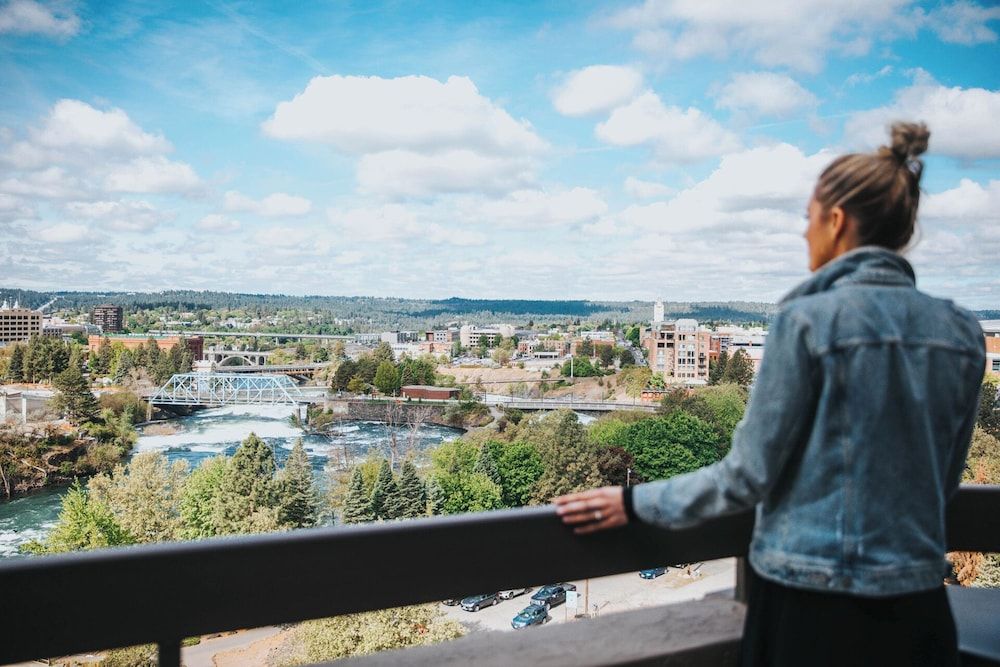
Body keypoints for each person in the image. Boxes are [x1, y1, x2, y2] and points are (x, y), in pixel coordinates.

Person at [554, 122, 986, 666]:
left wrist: (632, 502)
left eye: (807, 219)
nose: (805, 234)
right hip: (918, 607)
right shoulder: (962, 333)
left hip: (813, 607)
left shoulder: (806, 322)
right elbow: (940, 486)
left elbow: (746, 477)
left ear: (835, 221)